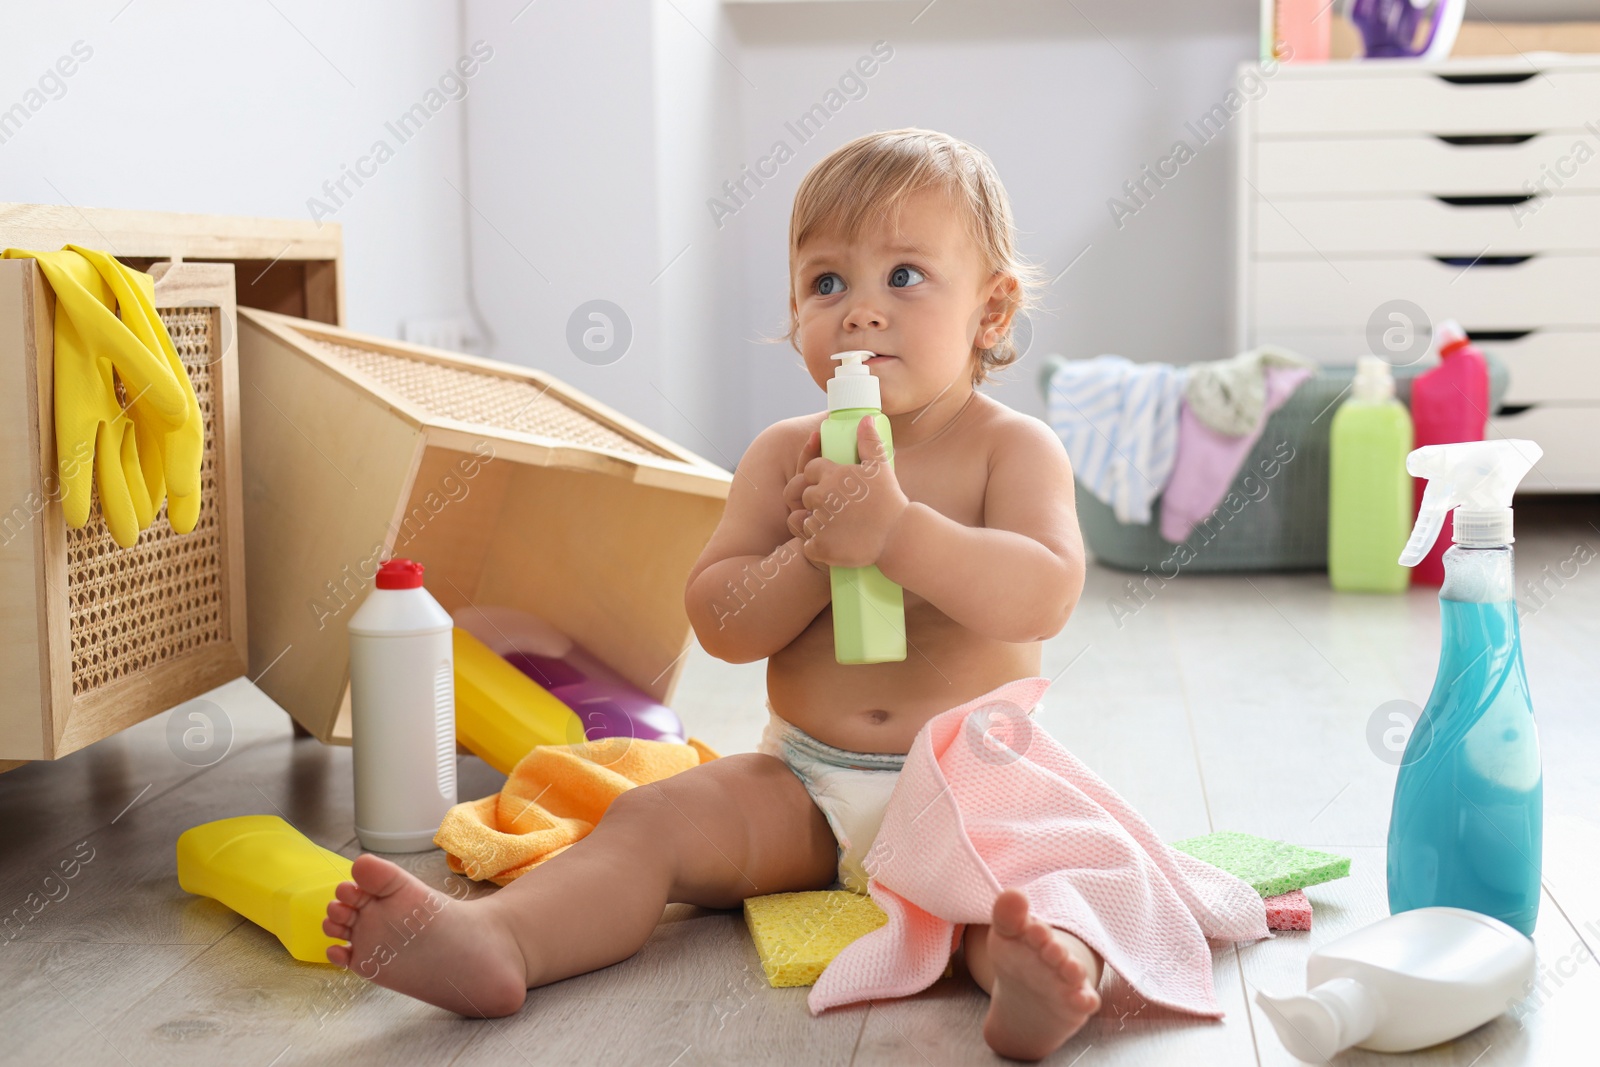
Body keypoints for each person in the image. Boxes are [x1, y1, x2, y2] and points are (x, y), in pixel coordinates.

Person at [322, 128, 1098, 1062]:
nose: (859, 313)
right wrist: (812, 553)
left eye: (904, 277)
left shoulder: (1010, 449)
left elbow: (1042, 595)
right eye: (826, 283)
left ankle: (1025, 974)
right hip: (806, 780)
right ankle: (502, 939)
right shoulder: (782, 455)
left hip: (970, 783)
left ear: (992, 311)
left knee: (1032, 883)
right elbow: (722, 622)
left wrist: (897, 533)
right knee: (650, 822)